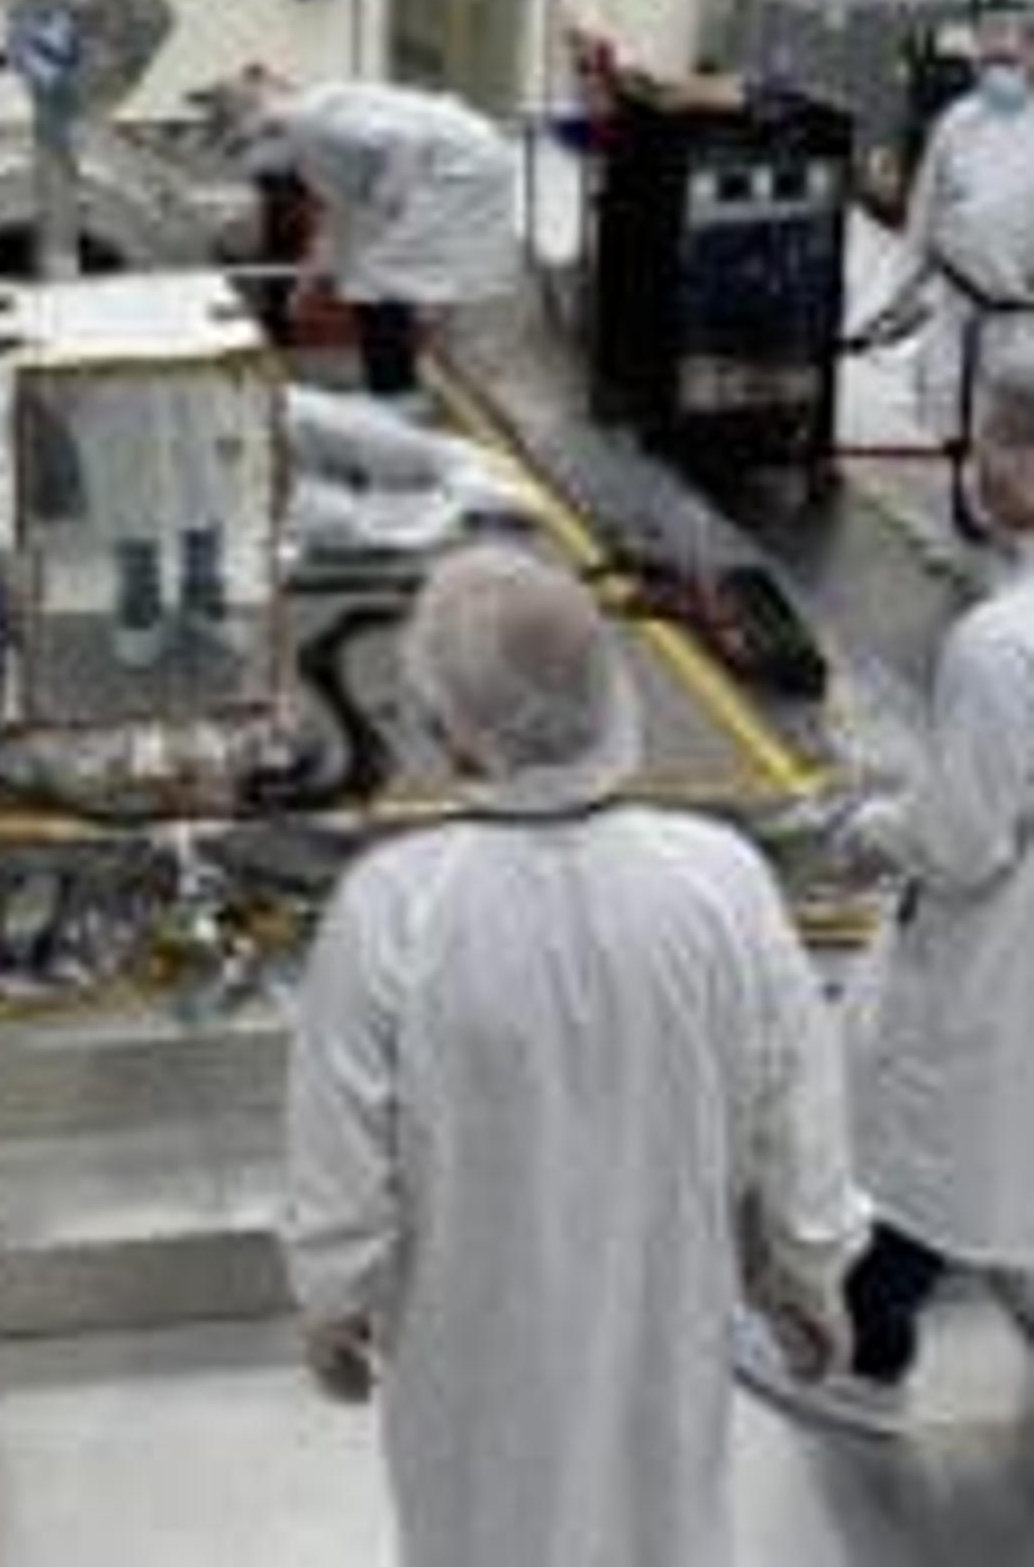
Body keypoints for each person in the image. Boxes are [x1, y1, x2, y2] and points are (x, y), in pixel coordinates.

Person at [284, 546, 859, 1567]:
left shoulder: (394, 907)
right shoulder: (718, 882)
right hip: (663, 1318)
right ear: (606, 690)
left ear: (447, 729)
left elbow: (338, 1151)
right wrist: (805, 1267)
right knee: (660, 1521)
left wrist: (332, 1296)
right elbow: (796, 1102)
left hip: (470, 1342)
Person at [738, 372, 1034, 1433]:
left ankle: (861, 1356)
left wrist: (869, 828)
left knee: (926, 1152)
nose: (976, 461)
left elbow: (961, 842)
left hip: (1001, 952)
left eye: (998, 444)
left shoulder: (1004, 645)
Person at [221, 68, 515, 393]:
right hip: (450, 162)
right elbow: (340, 224)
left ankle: (396, 393)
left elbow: (404, 142)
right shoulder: (312, 146)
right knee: (372, 278)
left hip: (463, 163)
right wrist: (305, 283)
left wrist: (386, 202)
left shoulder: (314, 123)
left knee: (379, 280)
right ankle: (395, 385)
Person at [860, 6, 1034, 439]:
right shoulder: (963, 121)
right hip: (956, 317)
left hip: (1024, 329)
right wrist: (899, 304)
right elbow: (923, 219)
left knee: (1012, 460)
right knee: (947, 436)